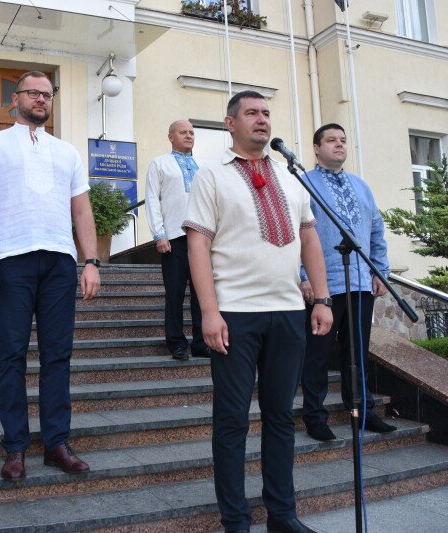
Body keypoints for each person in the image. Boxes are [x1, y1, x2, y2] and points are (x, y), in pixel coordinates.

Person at [185, 90, 333, 533]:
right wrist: (209, 312)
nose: (262, 119)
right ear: (230, 123)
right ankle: (236, 520)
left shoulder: (291, 176)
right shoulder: (211, 175)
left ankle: (282, 516)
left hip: (287, 311)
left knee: (280, 418)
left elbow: (309, 238)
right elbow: (197, 245)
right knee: (232, 421)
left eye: (266, 113)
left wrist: (322, 298)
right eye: (251, 113)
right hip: (234, 313)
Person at [0, 71, 100, 481]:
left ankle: (57, 443)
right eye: (33, 93)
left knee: (58, 355)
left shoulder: (67, 151)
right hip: (11, 259)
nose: (41, 99)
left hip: (59, 260)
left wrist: (91, 261)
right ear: (16, 98)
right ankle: (15, 447)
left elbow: (82, 209)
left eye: (47, 94)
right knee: (11, 354)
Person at [299, 123, 396, 442]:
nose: (339, 144)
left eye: (342, 140)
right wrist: (303, 276)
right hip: (323, 286)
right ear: (317, 148)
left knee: (357, 353)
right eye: (331, 140)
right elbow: (295, 232)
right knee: (317, 354)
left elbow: (376, 229)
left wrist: (379, 270)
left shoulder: (361, 185)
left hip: (360, 283)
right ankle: (315, 417)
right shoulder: (304, 183)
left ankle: (363, 411)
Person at [145, 120, 207, 361]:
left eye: (192, 132)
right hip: (174, 237)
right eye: (183, 132)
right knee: (175, 293)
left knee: (202, 293)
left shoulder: (203, 165)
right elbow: (152, 198)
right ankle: (176, 343)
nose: (189, 136)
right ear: (171, 136)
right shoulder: (160, 163)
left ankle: (201, 343)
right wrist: (159, 234)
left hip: (201, 238)